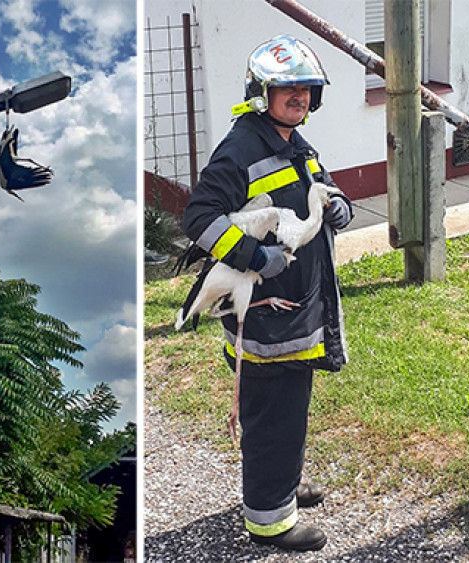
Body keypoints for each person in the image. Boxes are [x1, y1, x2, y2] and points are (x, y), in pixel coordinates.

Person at [180, 34, 352, 552]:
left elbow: (317, 184)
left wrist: (337, 203)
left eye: (306, 90)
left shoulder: (293, 141)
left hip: (296, 312)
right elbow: (198, 218)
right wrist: (255, 258)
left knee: (288, 409)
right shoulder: (243, 147)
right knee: (274, 412)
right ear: (262, 93)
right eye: (288, 90)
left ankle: (281, 485)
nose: (299, 98)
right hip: (267, 319)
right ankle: (270, 520)